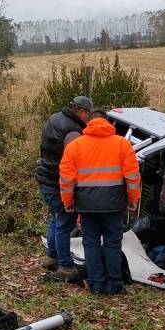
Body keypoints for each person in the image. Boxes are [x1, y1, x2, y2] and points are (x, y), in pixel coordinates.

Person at [59, 110, 140, 295]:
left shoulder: (75, 146)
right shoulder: (122, 144)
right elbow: (133, 176)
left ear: (89, 122)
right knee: (113, 244)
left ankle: (96, 285)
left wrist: (68, 201)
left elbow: (66, 179)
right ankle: (114, 285)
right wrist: (133, 200)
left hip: (87, 205)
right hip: (113, 204)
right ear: (108, 122)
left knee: (91, 243)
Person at [36, 95, 93, 278]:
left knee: (56, 218)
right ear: (82, 111)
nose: (89, 119)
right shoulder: (73, 131)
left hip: (45, 177)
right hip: (57, 182)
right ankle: (66, 266)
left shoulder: (54, 118)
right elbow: (73, 163)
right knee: (64, 224)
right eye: (88, 114)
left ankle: (51, 257)